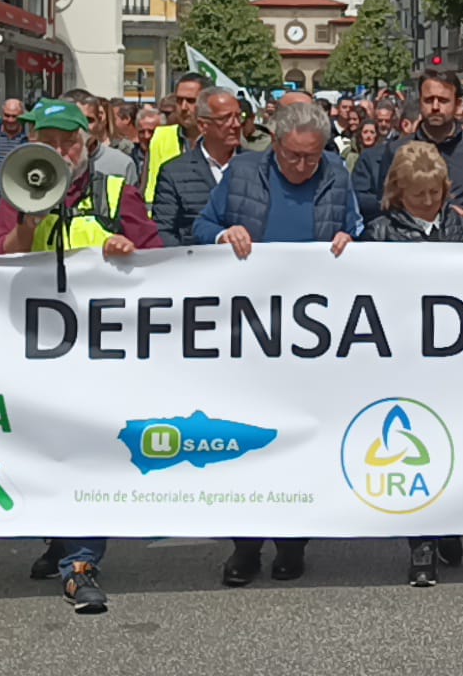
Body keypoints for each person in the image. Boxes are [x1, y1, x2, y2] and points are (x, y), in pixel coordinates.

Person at [0, 97, 156, 615]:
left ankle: (81, 564)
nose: (60, 150)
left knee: (88, 448)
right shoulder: (16, 189)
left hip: (96, 351)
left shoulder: (115, 191)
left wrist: (126, 253)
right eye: (49, 140)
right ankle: (59, 540)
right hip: (34, 348)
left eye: (69, 141)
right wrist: (28, 216)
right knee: (40, 448)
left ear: (87, 143)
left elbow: (160, 257)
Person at [193, 102, 357, 587]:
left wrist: (352, 238)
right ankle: (245, 546)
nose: (304, 166)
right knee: (248, 441)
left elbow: (357, 227)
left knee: (302, 441)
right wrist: (224, 233)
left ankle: (292, 543)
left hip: (311, 340)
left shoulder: (336, 176)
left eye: (312, 157)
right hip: (248, 336)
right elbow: (200, 227)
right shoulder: (243, 171)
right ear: (275, 144)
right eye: (294, 157)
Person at [360, 141, 463, 588]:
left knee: (456, 442)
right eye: (419, 195)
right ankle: (422, 543)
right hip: (405, 356)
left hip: (455, 356)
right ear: (398, 192)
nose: (429, 203)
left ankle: (449, 524)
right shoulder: (379, 233)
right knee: (416, 446)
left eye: (435, 194)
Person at [353, 72, 463, 223]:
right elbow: (387, 204)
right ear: (420, 102)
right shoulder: (397, 151)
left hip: (462, 242)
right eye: (428, 100)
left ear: (458, 104)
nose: (435, 107)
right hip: (408, 241)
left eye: (443, 100)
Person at [151, 89, 243, 247]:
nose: (235, 125)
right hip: (195, 265)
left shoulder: (257, 166)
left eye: (238, 116)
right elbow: (163, 230)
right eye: (225, 118)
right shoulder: (174, 172)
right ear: (203, 125)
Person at [143, 73, 209, 202]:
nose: (183, 107)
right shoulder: (161, 137)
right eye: (179, 100)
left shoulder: (219, 139)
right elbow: (151, 186)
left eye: (191, 101)